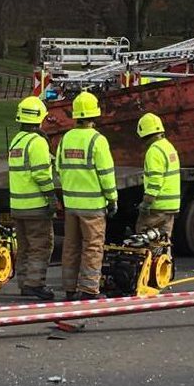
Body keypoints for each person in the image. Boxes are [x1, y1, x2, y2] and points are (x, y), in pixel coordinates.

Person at [56, 90, 117, 299]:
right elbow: (106, 174)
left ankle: (69, 289)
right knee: (92, 247)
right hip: (92, 206)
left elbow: (59, 167)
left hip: (71, 204)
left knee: (71, 247)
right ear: (94, 114)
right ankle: (89, 289)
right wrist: (112, 199)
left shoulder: (66, 139)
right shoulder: (97, 140)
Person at [8, 96, 57, 300]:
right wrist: (51, 196)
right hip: (36, 205)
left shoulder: (17, 140)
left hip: (18, 205)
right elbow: (41, 174)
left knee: (25, 247)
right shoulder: (37, 142)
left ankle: (24, 283)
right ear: (39, 118)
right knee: (41, 245)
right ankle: (35, 283)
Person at [136, 111, 180, 241]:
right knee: (164, 241)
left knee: (144, 238)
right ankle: (165, 261)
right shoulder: (168, 147)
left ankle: (149, 261)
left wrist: (146, 203)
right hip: (171, 206)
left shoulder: (154, 151)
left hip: (157, 206)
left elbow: (155, 181)